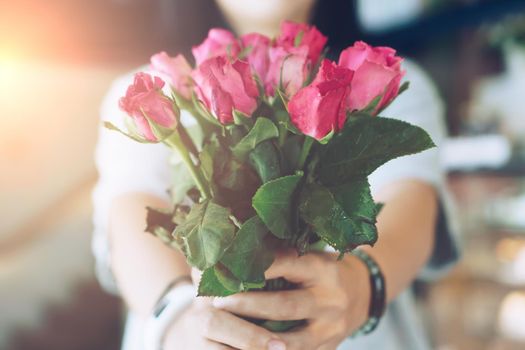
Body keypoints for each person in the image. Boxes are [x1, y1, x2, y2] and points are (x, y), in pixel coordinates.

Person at [92, 0, 460, 349]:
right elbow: (130, 215)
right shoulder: (157, 87)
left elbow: (411, 206)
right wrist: (177, 318)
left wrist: (361, 285)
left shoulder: (382, 79)